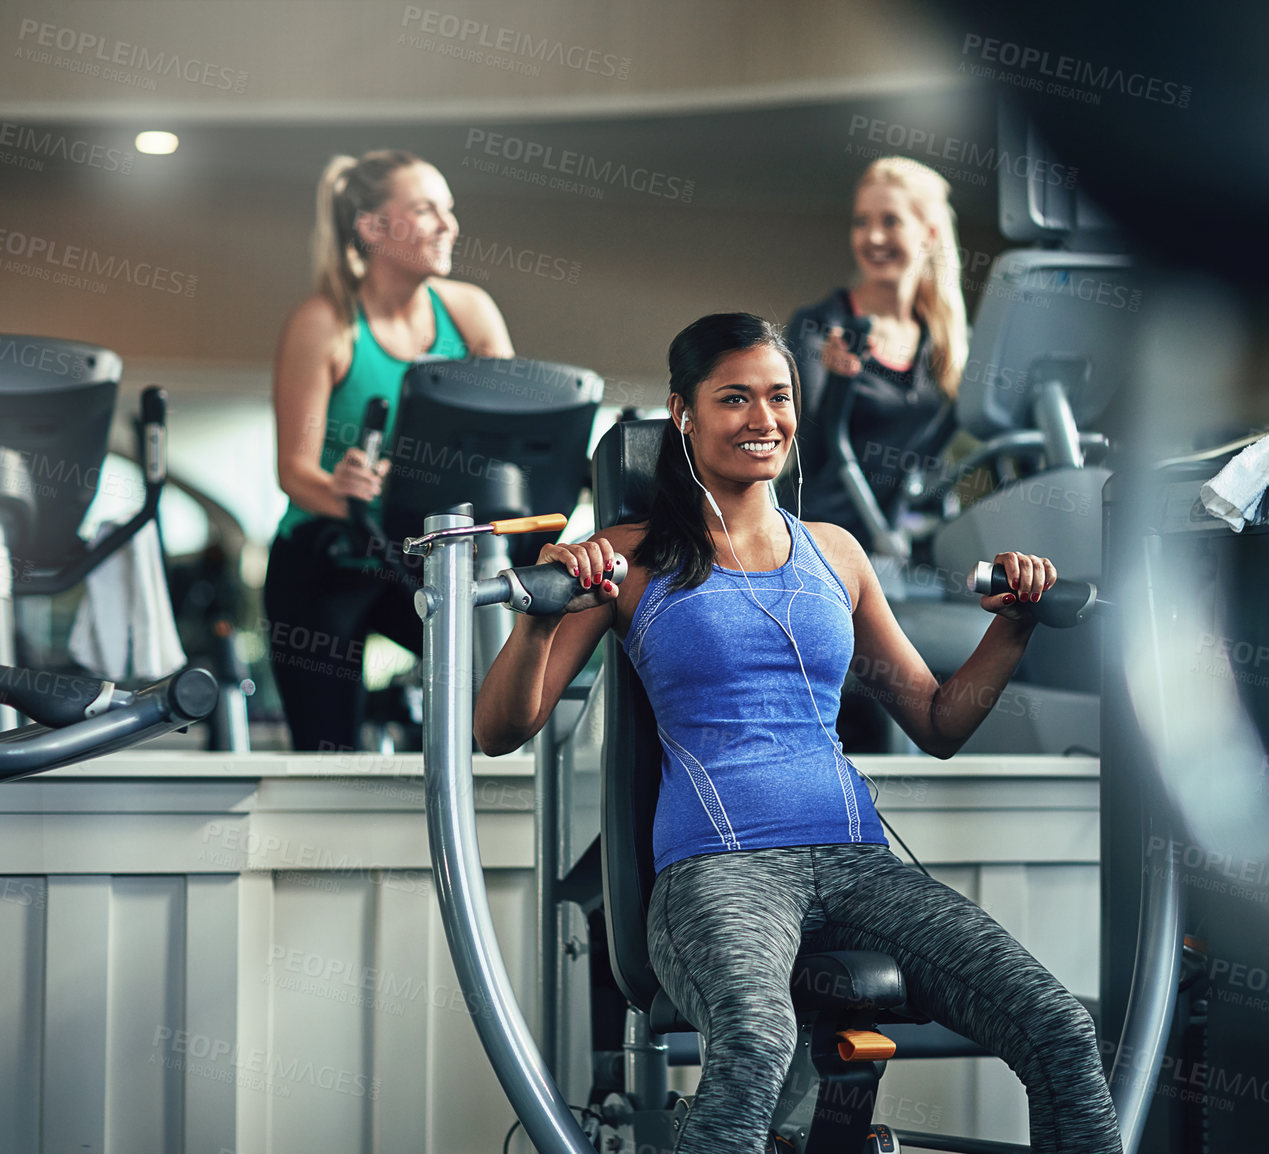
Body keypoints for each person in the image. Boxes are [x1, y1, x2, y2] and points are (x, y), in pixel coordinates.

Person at [474, 313, 1120, 1154]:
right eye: (733, 398)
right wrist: (541, 612)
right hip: (718, 869)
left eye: (777, 396)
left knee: (1059, 1027)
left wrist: (1016, 626)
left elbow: (937, 722)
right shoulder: (630, 557)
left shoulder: (837, 555)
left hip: (855, 861)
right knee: (756, 1044)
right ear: (683, 413)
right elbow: (498, 730)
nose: (762, 419)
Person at [267, 150, 513, 751]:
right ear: (374, 227)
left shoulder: (469, 312)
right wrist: (340, 487)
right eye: (427, 210)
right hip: (325, 560)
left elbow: (514, 434)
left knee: (493, 696)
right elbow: (294, 472)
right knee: (327, 749)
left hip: (423, 555)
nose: (448, 225)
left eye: (448, 209)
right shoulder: (325, 322)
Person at [782, 157, 967, 554]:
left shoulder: (944, 340)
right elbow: (799, 452)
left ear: (929, 234)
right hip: (820, 542)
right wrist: (836, 383)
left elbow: (933, 461)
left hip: (903, 549)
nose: (873, 237)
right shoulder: (821, 327)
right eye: (862, 222)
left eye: (891, 221)